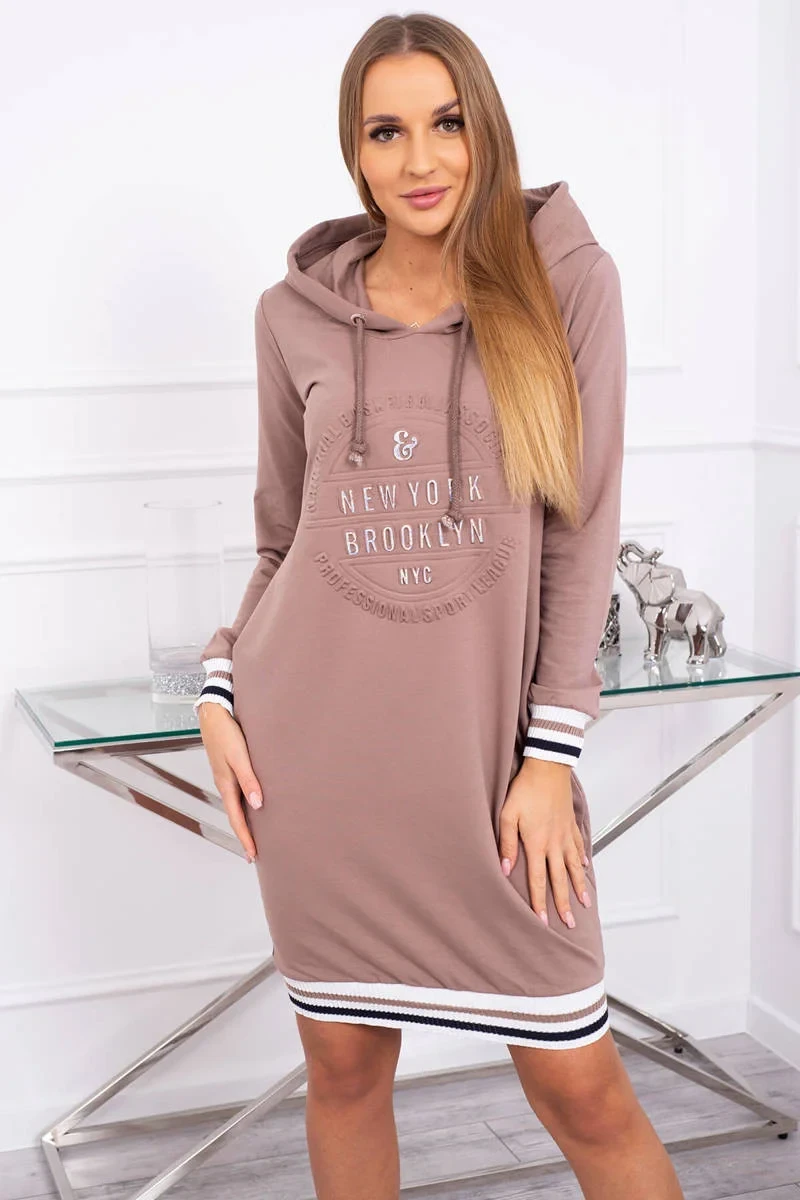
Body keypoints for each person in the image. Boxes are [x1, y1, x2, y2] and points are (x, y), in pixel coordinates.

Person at [195, 13, 685, 1200]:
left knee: (583, 1092)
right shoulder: (292, 316)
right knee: (343, 1074)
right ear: (353, 150)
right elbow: (283, 540)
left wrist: (548, 757)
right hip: (320, 773)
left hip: (489, 777)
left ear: (485, 128)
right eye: (386, 131)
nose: (420, 160)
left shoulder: (564, 281)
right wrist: (220, 687)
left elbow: (580, 529)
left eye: (446, 123)